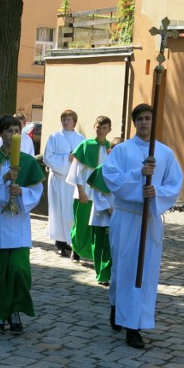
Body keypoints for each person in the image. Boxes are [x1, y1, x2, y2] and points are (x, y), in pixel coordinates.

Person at [102, 104, 183, 349]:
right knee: (124, 269)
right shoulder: (122, 150)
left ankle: (133, 326)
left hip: (149, 220)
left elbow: (174, 184)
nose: (144, 123)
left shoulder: (165, 153)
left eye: (148, 118)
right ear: (134, 122)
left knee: (144, 273)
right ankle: (117, 305)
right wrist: (139, 173)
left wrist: (155, 192)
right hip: (126, 218)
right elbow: (111, 179)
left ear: (153, 121)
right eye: (140, 119)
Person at [0, 115, 45, 334]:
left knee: (18, 270)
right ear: (1, 134)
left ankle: (15, 311)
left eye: (16, 131)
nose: (13, 134)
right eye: (8, 131)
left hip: (18, 225)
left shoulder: (28, 161)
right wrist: (2, 180)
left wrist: (21, 191)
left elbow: (37, 191)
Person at [66, 115, 112, 262]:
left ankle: (91, 253)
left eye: (104, 128)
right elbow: (76, 169)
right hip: (85, 190)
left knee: (94, 225)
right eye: (98, 127)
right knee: (81, 223)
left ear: (109, 130)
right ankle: (76, 249)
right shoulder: (86, 145)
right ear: (94, 127)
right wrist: (80, 191)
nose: (101, 130)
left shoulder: (109, 147)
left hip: (100, 193)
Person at [42, 109, 85, 257]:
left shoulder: (81, 138)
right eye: (63, 119)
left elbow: (84, 158)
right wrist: (67, 159)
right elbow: (47, 157)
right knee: (58, 210)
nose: (65, 122)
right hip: (58, 179)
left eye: (68, 119)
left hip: (74, 181)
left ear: (74, 121)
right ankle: (60, 242)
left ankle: (73, 242)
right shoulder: (54, 137)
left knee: (71, 212)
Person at [87, 136, 123, 286]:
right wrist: (107, 208)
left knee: (111, 246)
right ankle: (99, 271)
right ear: (109, 151)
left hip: (117, 213)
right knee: (99, 245)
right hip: (101, 215)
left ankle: (106, 274)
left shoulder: (124, 171)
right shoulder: (101, 170)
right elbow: (96, 193)